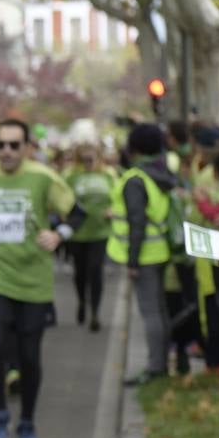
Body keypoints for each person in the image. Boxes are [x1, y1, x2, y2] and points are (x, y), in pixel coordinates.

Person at [0, 119, 81, 438]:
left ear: (27, 147)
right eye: (0, 145)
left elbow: (77, 214)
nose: (6, 152)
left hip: (32, 277)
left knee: (29, 354)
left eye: (14, 145)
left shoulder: (43, 178)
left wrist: (59, 234)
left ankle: (26, 421)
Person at [110, 124, 177, 385]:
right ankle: (161, 364)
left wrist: (133, 260)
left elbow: (136, 221)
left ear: (134, 148)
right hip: (160, 251)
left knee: (150, 313)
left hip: (145, 256)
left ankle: (155, 367)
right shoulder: (159, 174)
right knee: (159, 311)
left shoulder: (135, 179)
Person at [66, 139, 117, 332]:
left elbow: (118, 197)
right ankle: (81, 301)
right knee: (80, 273)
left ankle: (95, 312)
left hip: (100, 231)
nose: (88, 162)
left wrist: (113, 209)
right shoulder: (72, 176)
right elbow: (63, 198)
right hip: (78, 233)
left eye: (91, 158)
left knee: (96, 271)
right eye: (84, 158)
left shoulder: (107, 176)